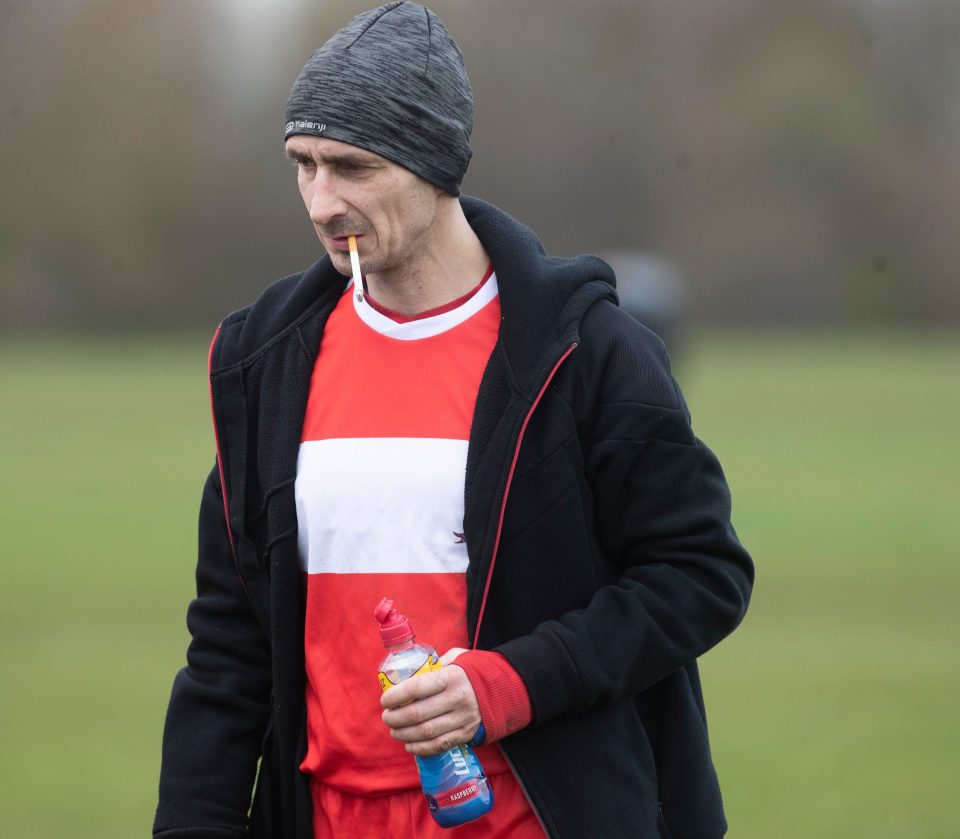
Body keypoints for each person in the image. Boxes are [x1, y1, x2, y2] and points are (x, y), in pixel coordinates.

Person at [154, 3, 754, 838]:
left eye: (352, 166)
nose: (323, 201)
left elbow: (698, 575)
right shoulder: (263, 364)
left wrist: (505, 684)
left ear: (434, 166)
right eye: (304, 164)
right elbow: (228, 646)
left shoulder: (587, 352)